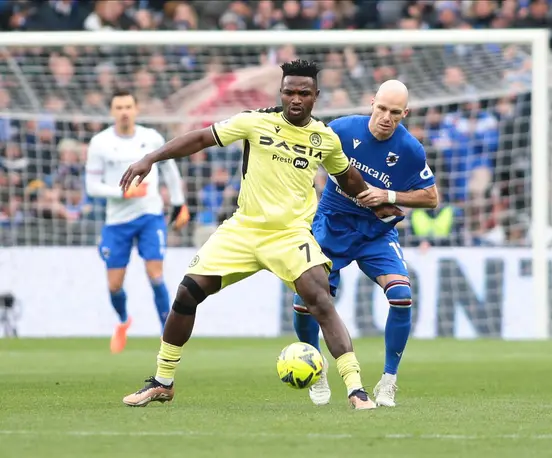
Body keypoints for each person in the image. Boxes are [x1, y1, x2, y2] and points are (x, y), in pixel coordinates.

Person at [119, 60, 404, 410]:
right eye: (289, 92)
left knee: (321, 301)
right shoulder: (254, 121)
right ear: (280, 93)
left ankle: (356, 389)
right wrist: (151, 158)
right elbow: (198, 139)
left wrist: (376, 203)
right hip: (244, 228)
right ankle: (162, 381)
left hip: (289, 235)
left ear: (316, 96)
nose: (295, 99)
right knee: (186, 294)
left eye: (303, 93)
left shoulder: (324, 138)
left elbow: (348, 178)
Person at [292, 80, 438, 407]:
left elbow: (431, 197)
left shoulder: (410, 150)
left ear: (405, 114)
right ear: (372, 102)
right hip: (332, 225)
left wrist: (389, 195)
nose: (386, 117)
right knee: (304, 302)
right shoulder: (343, 129)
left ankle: (389, 380)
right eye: (382, 108)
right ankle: (316, 367)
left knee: (401, 295)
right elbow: (303, 154)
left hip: (376, 233)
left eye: (395, 113)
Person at [85, 90, 189, 354]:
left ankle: (167, 334)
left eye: (128, 106)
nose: (124, 111)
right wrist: (122, 191)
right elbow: (92, 186)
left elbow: (169, 169)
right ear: (112, 111)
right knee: (114, 284)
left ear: (136, 109)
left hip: (149, 216)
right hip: (117, 221)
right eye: (119, 107)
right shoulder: (100, 143)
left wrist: (178, 203)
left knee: (155, 275)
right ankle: (123, 321)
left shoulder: (150, 138)